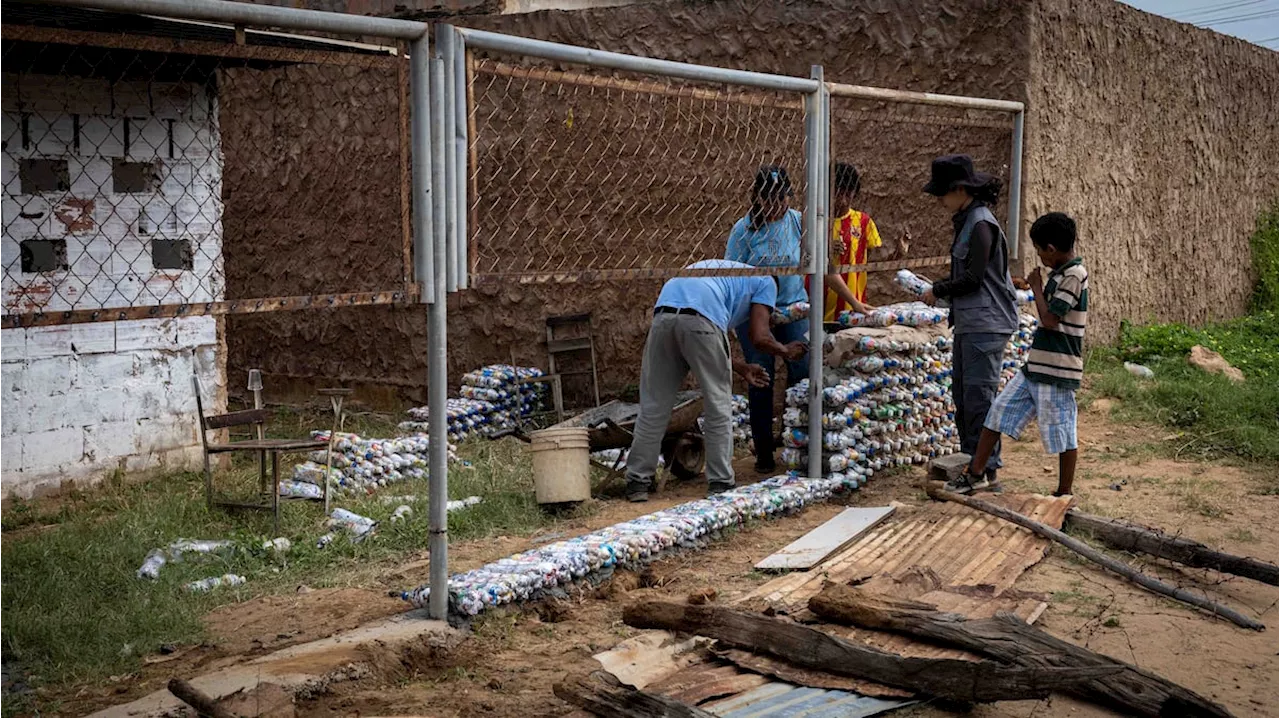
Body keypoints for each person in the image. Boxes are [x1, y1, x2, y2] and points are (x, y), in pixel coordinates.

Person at [624, 259, 807, 503]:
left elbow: (701, 342)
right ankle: (721, 480)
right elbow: (758, 336)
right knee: (718, 405)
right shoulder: (767, 280)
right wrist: (785, 350)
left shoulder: (726, 272)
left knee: (654, 406)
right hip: (702, 317)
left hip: (663, 317)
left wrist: (741, 368)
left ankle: (637, 481)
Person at [726, 166, 870, 473]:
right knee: (761, 376)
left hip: (794, 308)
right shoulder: (744, 231)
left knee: (804, 370)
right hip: (756, 313)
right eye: (769, 199)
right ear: (758, 198)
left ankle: (798, 443)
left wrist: (855, 302)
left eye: (782, 198)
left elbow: (823, 268)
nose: (777, 205)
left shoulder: (798, 223)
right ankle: (764, 452)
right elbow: (733, 276)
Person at [945, 212, 1088, 496]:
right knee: (997, 413)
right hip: (1036, 366)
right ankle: (976, 474)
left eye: (1039, 250)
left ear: (1050, 248)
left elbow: (1050, 320)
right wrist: (1029, 284)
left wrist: (1036, 289)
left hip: (1057, 370)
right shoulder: (1060, 273)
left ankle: (1064, 491)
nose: (1039, 256)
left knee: (1062, 431)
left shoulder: (1074, 275)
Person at [920, 154, 1018, 487]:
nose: (940, 200)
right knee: (965, 399)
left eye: (943, 193)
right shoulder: (969, 220)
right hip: (970, 322)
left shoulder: (980, 223)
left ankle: (985, 472)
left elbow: (975, 278)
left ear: (960, 190)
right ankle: (975, 467)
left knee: (978, 400)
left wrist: (938, 289)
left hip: (986, 322)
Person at [818, 162, 910, 321]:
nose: (844, 199)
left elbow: (868, 264)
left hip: (854, 306)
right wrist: (826, 250)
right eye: (838, 193)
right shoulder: (817, 222)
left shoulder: (863, 222)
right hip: (820, 304)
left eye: (849, 193)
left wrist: (897, 254)